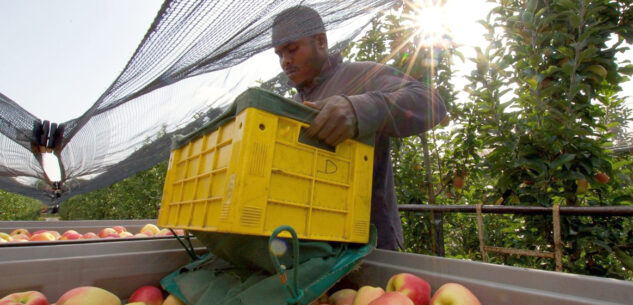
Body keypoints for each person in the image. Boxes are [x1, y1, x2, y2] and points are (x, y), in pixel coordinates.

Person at [272, 6, 447, 250]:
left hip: (370, 241)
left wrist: (358, 109)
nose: (285, 61)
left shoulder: (361, 75)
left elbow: (431, 103)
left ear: (320, 41)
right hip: (315, 246)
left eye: (291, 49)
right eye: (279, 54)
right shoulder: (293, 105)